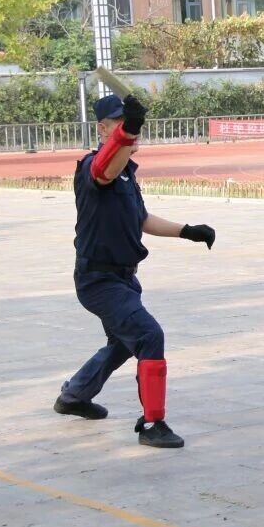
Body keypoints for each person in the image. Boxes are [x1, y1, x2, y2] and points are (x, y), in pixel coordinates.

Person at [55, 93, 215, 449]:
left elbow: (141, 218)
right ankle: (152, 424)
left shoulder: (127, 173)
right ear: (103, 129)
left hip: (124, 279)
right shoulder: (93, 167)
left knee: (123, 343)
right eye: (120, 124)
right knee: (148, 335)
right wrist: (128, 131)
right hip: (98, 280)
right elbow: (105, 169)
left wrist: (187, 231)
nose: (130, 131)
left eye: (130, 124)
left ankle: (74, 395)